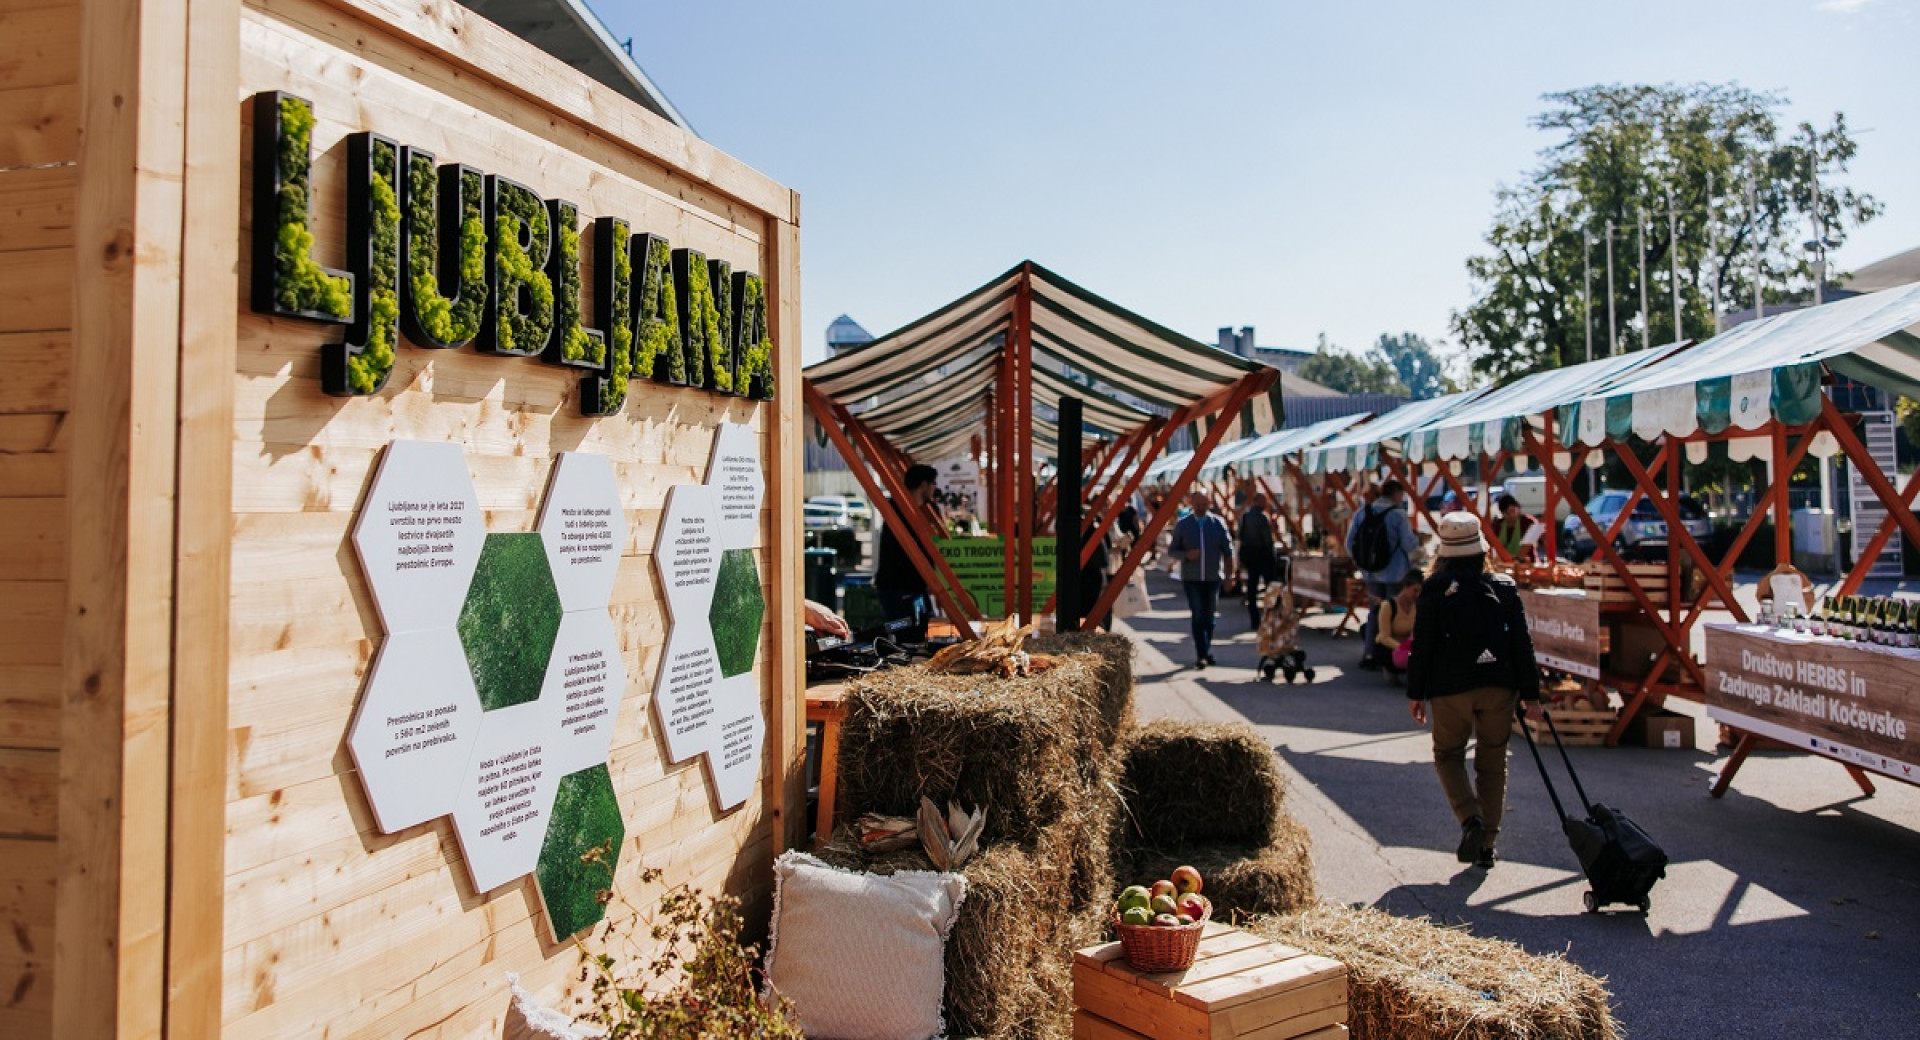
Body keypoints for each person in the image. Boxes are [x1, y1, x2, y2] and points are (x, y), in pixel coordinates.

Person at [1406, 512, 1541, 869]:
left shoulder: (1434, 589)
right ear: (1482, 549)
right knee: (1493, 761)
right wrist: (1532, 694)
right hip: (1499, 683)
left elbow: (1423, 644)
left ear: (1445, 551)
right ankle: (1488, 844)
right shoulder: (1504, 587)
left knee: (1448, 755)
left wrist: (1415, 692)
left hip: (1450, 687)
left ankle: (1471, 820)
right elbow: (1522, 644)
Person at [1345, 479, 1418, 669]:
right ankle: (1391, 655)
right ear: (1396, 494)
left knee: (1375, 612)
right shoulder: (1398, 515)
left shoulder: (1363, 513)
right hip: (1395, 574)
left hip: (1371, 574)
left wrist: (1363, 565)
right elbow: (1409, 544)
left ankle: (1370, 652)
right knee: (1395, 613)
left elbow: (1349, 542)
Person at [1168, 489, 1233, 668]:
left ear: (1209, 504)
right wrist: (1186, 554)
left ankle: (1206, 649)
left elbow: (1229, 553)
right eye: (1197, 505)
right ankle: (1202, 654)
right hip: (1192, 579)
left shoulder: (1217, 524)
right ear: (1191, 504)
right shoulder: (1183, 525)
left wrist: (1229, 577)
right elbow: (1172, 550)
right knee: (1198, 614)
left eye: (1204, 505)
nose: (1201, 508)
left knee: (1209, 616)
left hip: (1213, 578)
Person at [874, 464, 939, 624]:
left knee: (917, 632)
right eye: (933, 484)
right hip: (899, 588)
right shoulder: (900, 511)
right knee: (906, 636)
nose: (935, 489)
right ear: (923, 485)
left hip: (910, 588)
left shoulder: (914, 510)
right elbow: (903, 553)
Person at [1373, 570, 1423, 685]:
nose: (1417, 594)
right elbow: (1384, 636)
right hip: (1389, 645)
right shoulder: (1388, 605)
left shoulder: (1417, 606)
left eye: (1420, 591)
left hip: (1409, 644)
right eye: (1415, 590)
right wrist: (1403, 648)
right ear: (1405, 587)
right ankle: (1390, 669)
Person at [1239, 493, 1279, 627]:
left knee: (1252, 588)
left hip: (1250, 556)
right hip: (1263, 556)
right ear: (1259, 502)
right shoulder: (1263, 517)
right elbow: (1267, 539)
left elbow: (1241, 536)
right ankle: (1271, 616)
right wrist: (1272, 556)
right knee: (1270, 587)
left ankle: (1254, 619)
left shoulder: (1245, 517)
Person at [1493, 494, 1536, 561]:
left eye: (1512, 511)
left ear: (1518, 509)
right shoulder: (1498, 524)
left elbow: (1541, 537)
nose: (1511, 515)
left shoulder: (1527, 522)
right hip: (1503, 563)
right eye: (1507, 512)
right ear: (1503, 513)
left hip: (1526, 563)